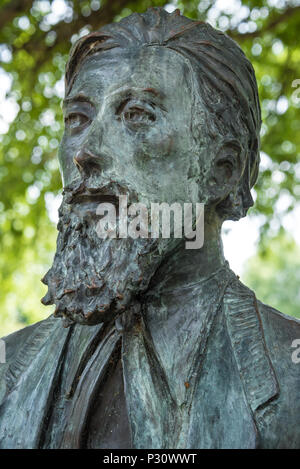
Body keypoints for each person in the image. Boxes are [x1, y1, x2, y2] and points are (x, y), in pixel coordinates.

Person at [0, 7, 299, 449]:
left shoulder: (289, 377)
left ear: (223, 171)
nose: (85, 150)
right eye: (78, 118)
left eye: (137, 114)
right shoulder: (9, 371)